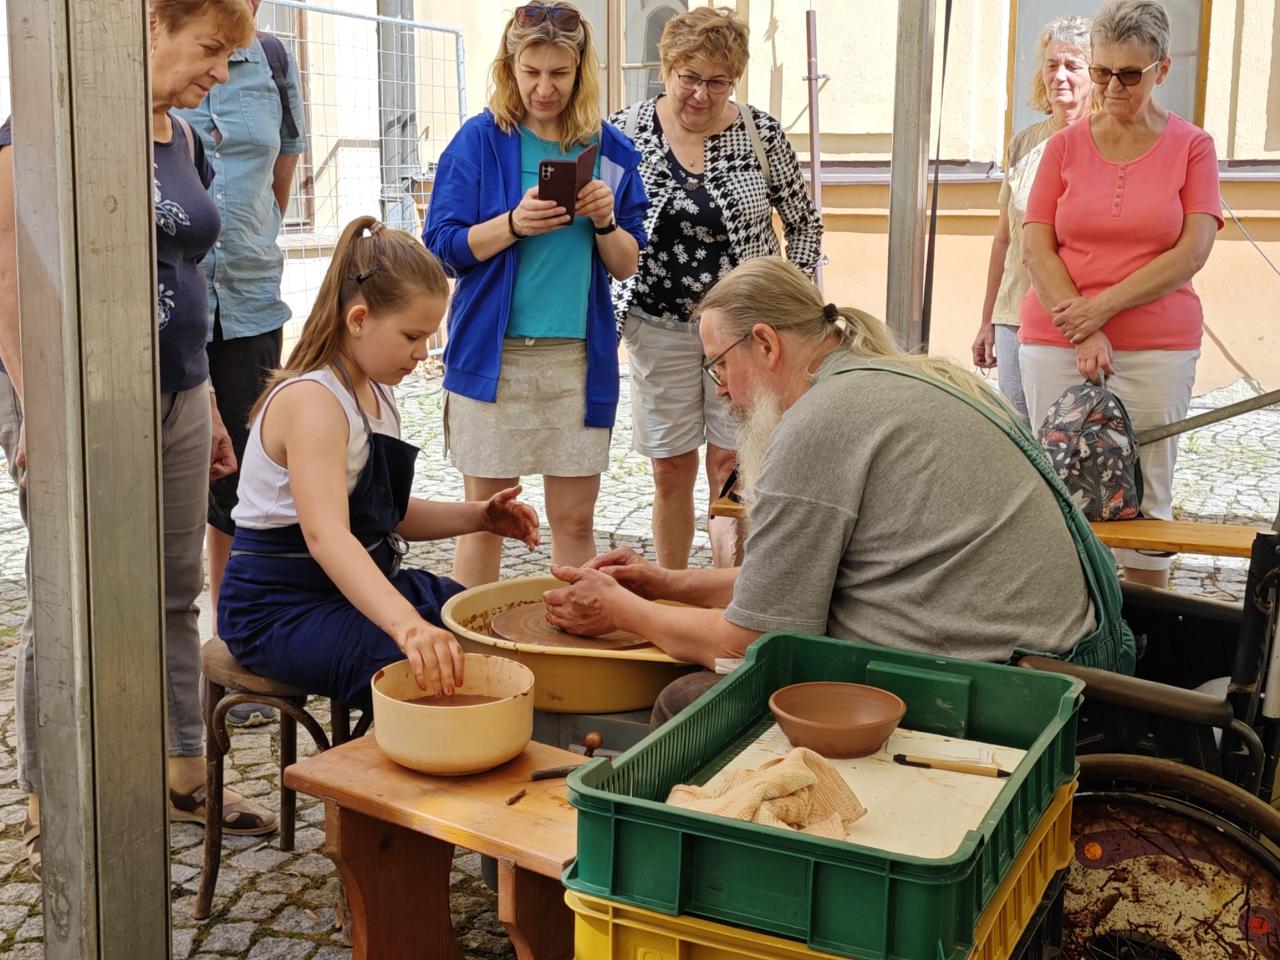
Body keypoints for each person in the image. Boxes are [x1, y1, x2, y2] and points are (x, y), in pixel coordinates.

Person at [543, 258, 1132, 724]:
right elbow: (791, 580)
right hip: (1055, 656)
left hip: (1005, 690)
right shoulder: (884, 375)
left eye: (719, 366)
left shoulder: (820, 421)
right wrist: (667, 585)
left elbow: (754, 641)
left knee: (686, 703)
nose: (720, 390)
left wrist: (623, 611)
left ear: (766, 344)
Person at [218, 217, 541, 710]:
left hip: (355, 588)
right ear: (359, 319)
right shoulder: (312, 402)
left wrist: (479, 516)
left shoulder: (375, 391)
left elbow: (387, 515)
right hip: (278, 608)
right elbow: (327, 535)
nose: (422, 354)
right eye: (412, 336)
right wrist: (407, 625)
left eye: (428, 337)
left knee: (486, 627)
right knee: (423, 673)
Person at [423, 1, 647, 588]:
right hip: (492, 360)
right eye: (531, 72)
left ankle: (575, 633)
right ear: (509, 68)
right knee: (485, 523)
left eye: (559, 73)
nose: (544, 88)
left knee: (574, 520)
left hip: (576, 362)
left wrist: (606, 223)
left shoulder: (611, 150)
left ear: (581, 72)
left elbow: (627, 264)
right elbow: (441, 248)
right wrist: (513, 225)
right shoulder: (479, 140)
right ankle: (471, 641)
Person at [610, 6, 822, 570]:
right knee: (669, 467)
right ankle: (673, 586)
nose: (702, 94)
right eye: (690, 78)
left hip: (743, 335)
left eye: (718, 81)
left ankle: (733, 590)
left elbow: (804, 225)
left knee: (734, 466)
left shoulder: (760, 133)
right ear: (666, 69)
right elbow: (600, 225)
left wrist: (792, 303)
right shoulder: (625, 133)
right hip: (657, 326)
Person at [1020, 0, 1222, 589]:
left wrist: (1102, 310)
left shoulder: (1193, 146)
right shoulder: (1063, 147)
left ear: (1162, 69)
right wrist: (1083, 330)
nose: (1111, 87)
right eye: (1102, 71)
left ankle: (1148, 630)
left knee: (1148, 495)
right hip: (1056, 338)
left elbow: (1191, 251)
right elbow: (1036, 248)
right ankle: (1073, 628)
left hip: (1156, 345)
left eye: (1129, 74)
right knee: (1058, 488)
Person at [176, 0, 307, 728]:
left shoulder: (274, 61)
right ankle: (157, 660)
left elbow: (283, 166)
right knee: (168, 478)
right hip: (170, 300)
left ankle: (231, 644)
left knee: (241, 483)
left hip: (251, 298)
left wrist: (251, 235)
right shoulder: (163, 52)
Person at [972, 16, 1093, 420]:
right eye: (1052, 64)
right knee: (1019, 432)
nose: (1060, 76)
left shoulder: (1105, 141)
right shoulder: (1024, 143)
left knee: (1068, 433)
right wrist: (988, 319)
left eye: (1073, 65)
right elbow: (1004, 240)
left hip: (1072, 316)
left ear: (1095, 75)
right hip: (1013, 315)